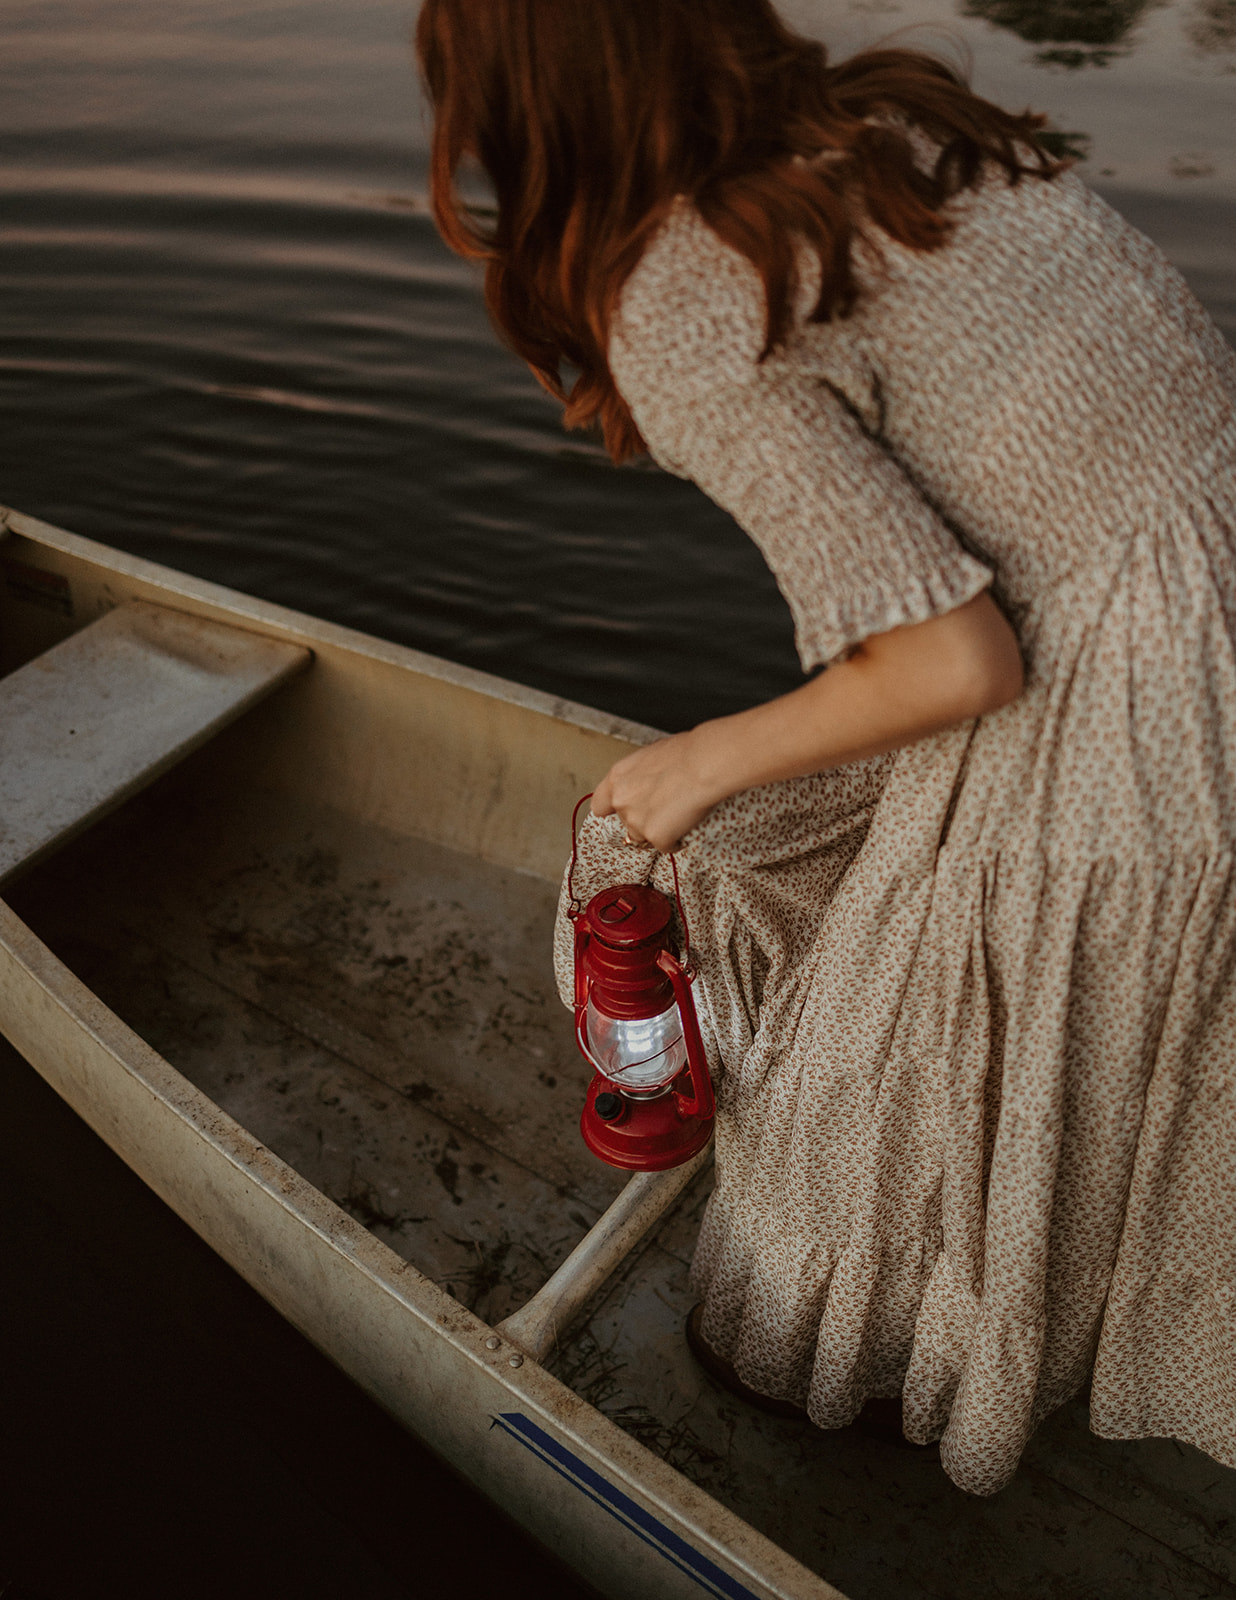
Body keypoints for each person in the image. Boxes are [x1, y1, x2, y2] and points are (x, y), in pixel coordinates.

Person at [416, 0, 1236, 1496]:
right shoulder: (904, 120)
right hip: (1206, 607)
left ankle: (843, 1378)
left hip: (1139, 720)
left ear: (508, 100)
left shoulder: (686, 291)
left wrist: (699, 758)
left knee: (810, 1099)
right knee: (762, 880)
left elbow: (952, 657)